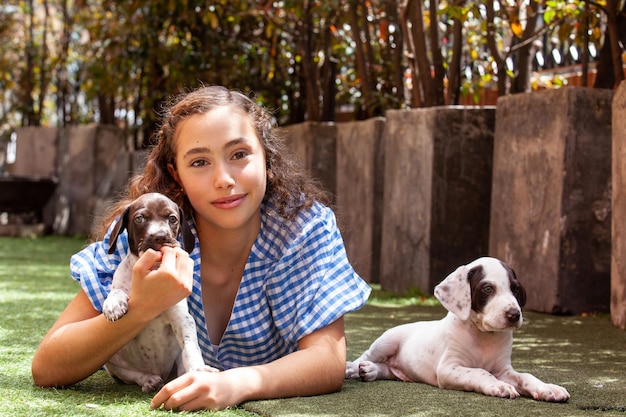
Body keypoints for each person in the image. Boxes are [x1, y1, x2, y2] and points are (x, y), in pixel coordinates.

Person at [31, 85, 371, 411]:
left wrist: (234, 385)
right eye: (199, 162)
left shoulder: (302, 228)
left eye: (239, 154)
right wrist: (141, 307)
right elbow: (47, 366)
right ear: (175, 174)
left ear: (265, 156)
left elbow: (326, 361)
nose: (223, 179)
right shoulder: (148, 234)